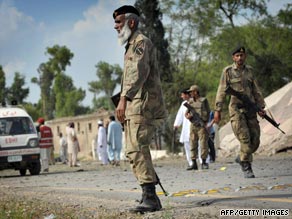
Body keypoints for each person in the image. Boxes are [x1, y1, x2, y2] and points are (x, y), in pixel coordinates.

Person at [113, 5, 166, 213]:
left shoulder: (140, 42)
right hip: (135, 105)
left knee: (137, 149)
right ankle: (149, 195)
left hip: (143, 105)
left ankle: (150, 198)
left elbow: (138, 72)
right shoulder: (130, 45)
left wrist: (123, 99)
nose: (115, 26)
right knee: (133, 150)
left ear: (131, 22)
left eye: (119, 22)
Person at [214, 46, 266, 178]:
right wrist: (217, 110)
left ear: (245, 56)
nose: (239, 58)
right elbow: (221, 91)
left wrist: (260, 107)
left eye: (242, 55)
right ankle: (246, 165)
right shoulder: (228, 71)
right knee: (245, 139)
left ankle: (242, 156)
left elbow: (256, 90)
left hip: (251, 109)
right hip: (236, 109)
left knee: (255, 141)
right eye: (237, 55)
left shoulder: (250, 71)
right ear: (233, 57)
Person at [185, 85, 210, 170]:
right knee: (192, 143)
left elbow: (208, 111)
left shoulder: (204, 101)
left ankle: (203, 162)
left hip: (201, 125)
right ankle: (194, 163)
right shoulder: (190, 102)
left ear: (196, 92)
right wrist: (188, 116)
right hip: (193, 125)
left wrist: (206, 122)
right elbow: (186, 113)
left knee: (203, 144)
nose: (190, 94)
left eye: (191, 92)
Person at [173, 88, 193, 170]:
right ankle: (191, 162)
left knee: (197, 144)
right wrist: (176, 124)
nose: (181, 96)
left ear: (187, 94)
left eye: (182, 94)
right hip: (186, 127)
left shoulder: (194, 102)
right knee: (187, 144)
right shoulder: (184, 104)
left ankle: (202, 161)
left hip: (194, 126)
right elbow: (180, 115)